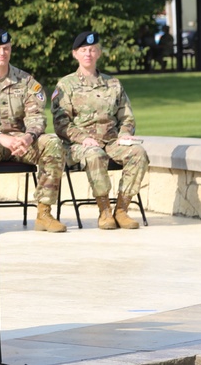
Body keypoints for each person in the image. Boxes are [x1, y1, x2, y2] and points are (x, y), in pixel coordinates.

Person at [51, 31, 149, 230]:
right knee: (95, 154)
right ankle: (104, 210)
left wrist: (124, 135)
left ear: (99, 53)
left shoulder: (113, 84)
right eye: (83, 50)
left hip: (112, 141)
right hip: (79, 145)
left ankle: (121, 209)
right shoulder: (66, 85)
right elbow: (61, 123)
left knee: (138, 153)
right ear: (75, 54)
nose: (88, 54)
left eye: (92, 50)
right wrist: (83, 138)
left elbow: (126, 116)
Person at [0, 28, 68, 233]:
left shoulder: (26, 81)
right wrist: (0, 137)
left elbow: (36, 116)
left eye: (6, 48)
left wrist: (29, 137)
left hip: (21, 142)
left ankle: (44, 213)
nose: (2, 53)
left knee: (53, 144)